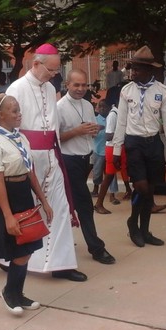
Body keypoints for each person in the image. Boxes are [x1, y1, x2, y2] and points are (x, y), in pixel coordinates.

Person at [0, 43, 87, 282]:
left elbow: (53, 124)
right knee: (22, 212)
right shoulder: (16, 88)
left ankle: (62, 264)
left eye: (56, 71)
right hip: (26, 158)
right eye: (50, 70)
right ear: (36, 64)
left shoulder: (50, 88)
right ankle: (2, 254)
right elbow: (6, 123)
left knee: (59, 209)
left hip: (51, 156)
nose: (54, 75)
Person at [0, 94, 53, 315]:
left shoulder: (21, 139)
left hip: (23, 193)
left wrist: (43, 201)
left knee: (27, 247)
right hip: (5, 196)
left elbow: (30, 173)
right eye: (13, 110)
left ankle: (17, 293)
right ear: (0, 115)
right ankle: (10, 292)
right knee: (18, 250)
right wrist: (8, 216)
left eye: (19, 109)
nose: (18, 113)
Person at [112, 46, 166, 247]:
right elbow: (121, 122)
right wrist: (117, 150)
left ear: (149, 70)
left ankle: (145, 231)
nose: (133, 72)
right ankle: (132, 222)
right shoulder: (126, 91)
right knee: (140, 186)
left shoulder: (162, 91)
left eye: (138, 69)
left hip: (153, 144)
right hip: (134, 144)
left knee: (150, 189)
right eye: (132, 68)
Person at [58, 69, 116, 264]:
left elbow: (89, 131)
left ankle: (58, 242)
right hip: (69, 161)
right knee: (84, 205)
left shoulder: (88, 105)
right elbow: (54, 139)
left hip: (85, 160)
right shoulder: (59, 107)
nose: (81, 89)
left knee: (68, 204)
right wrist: (76, 131)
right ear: (68, 85)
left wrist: (90, 131)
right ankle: (96, 248)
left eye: (84, 85)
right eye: (76, 85)